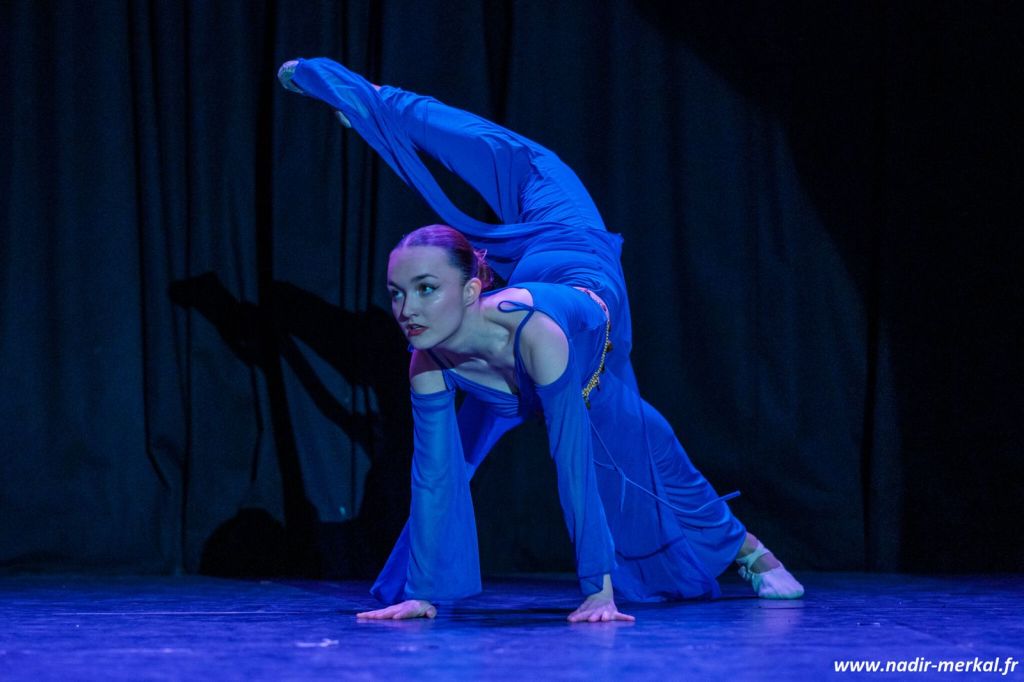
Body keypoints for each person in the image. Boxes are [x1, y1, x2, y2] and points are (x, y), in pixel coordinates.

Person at [278, 57, 804, 622]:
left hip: (572, 256)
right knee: (507, 451)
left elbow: (571, 462)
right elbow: (435, 474)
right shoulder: (427, 360)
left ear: (473, 287)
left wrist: (597, 590)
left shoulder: (538, 334)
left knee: (515, 157)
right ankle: (426, 580)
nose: (407, 311)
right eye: (397, 293)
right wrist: (423, 593)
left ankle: (381, 101)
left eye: (426, 289)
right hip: (521, 308)